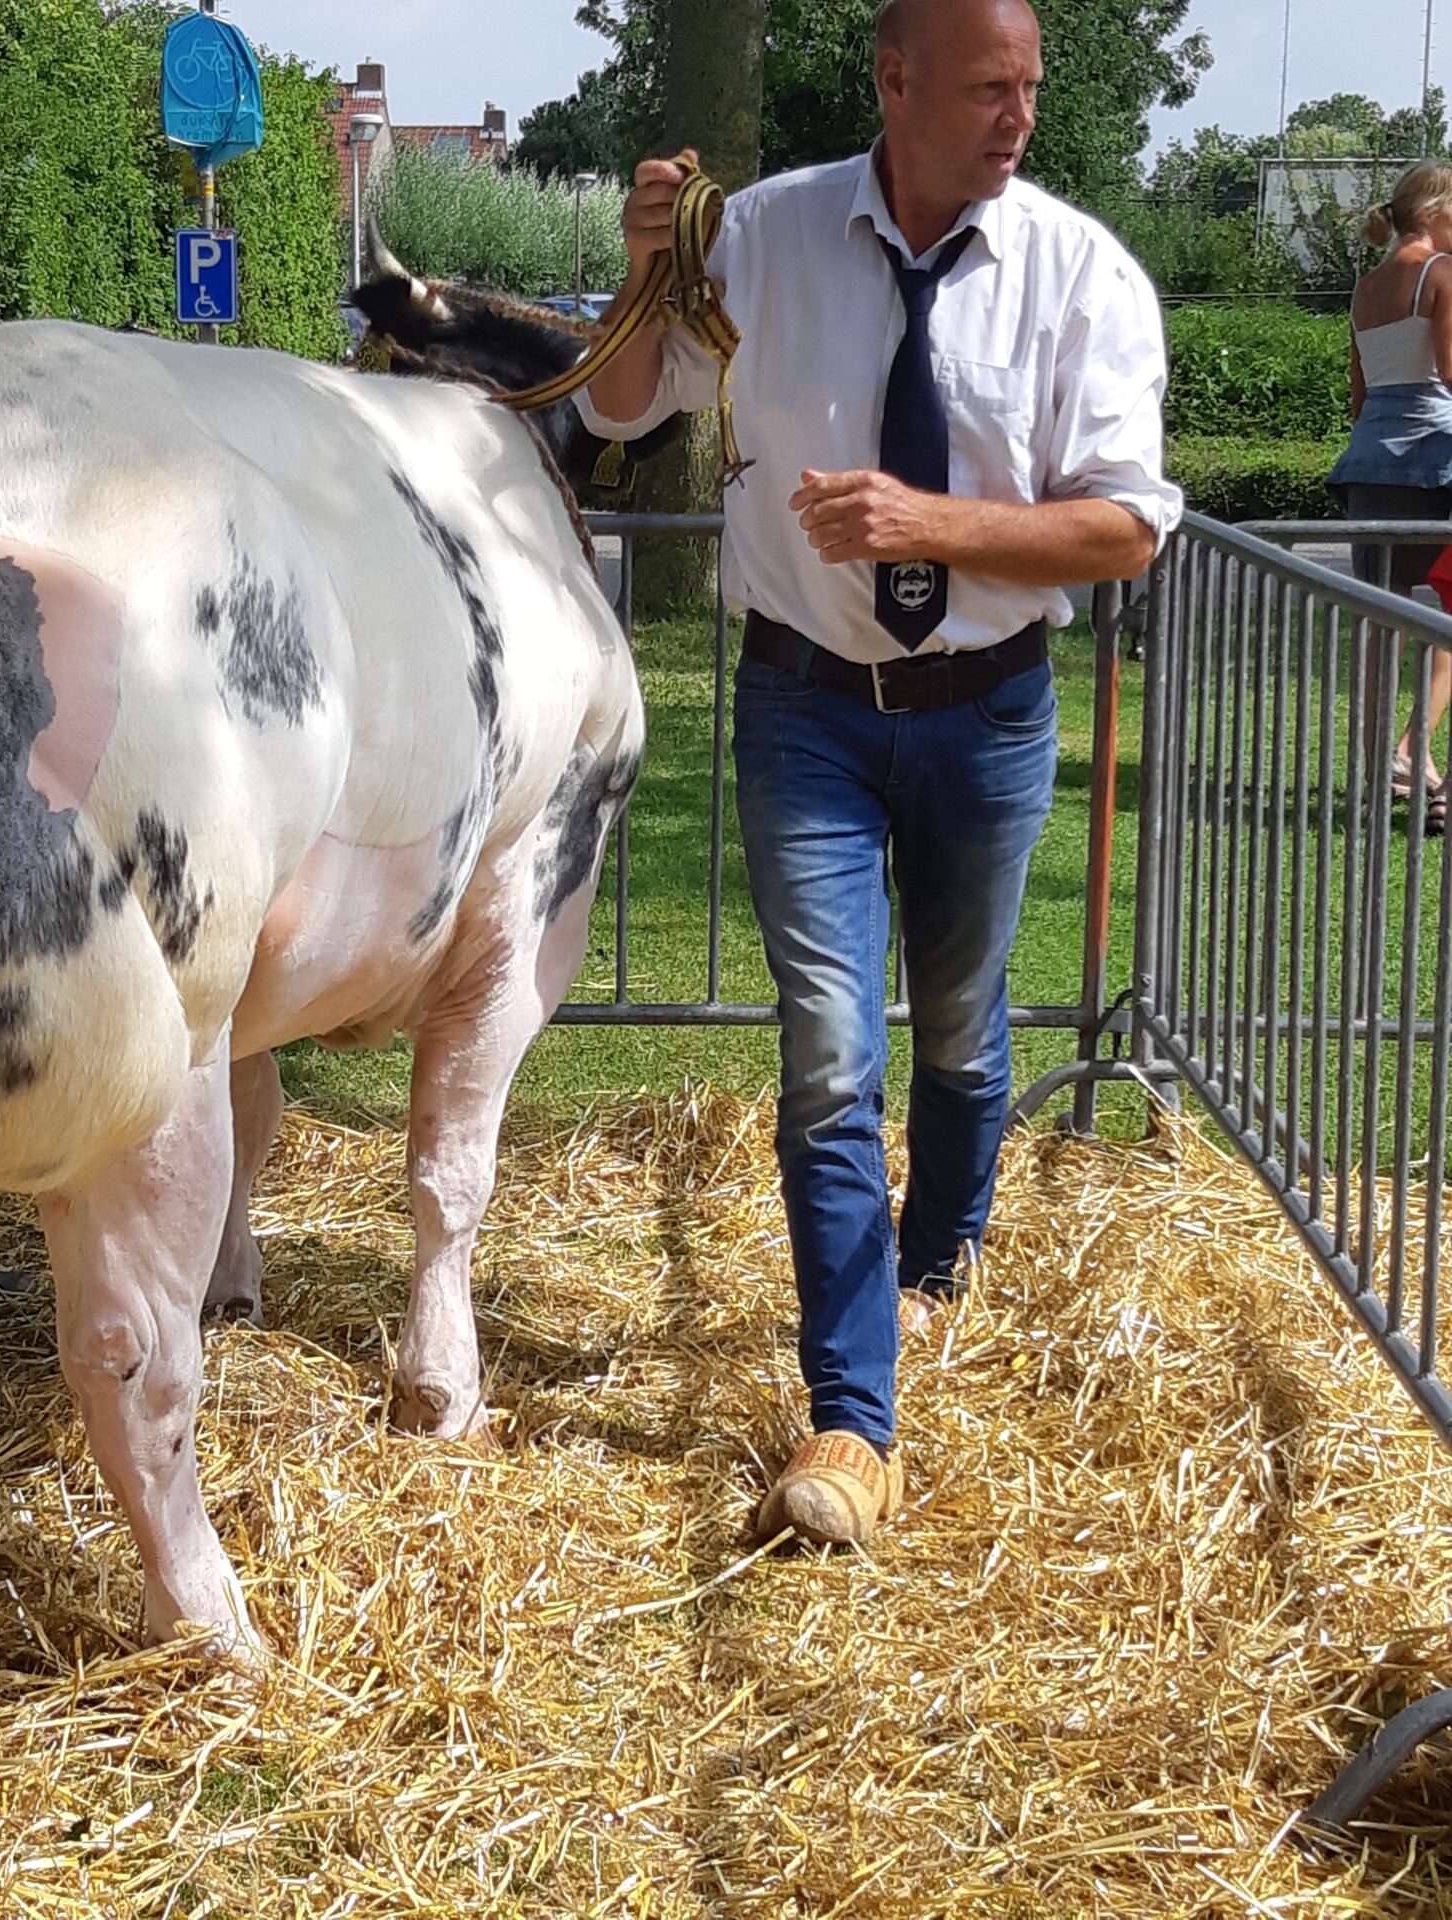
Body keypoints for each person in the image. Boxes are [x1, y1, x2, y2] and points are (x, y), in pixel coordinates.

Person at [578, 0, 1179, 1548]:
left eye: (1030, 88)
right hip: (803, 712)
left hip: (989, 714)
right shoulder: (760, 237)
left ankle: (940, 1257)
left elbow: (1123, 527)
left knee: (967, 1036)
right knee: (833, 1057)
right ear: (894, 84)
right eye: (991, 86)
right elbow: (617, 406)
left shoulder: (1082, 274)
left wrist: (935, 526)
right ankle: (855, 1419)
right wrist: (651, 269)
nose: (1020, 116)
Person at [1329, 162, 1452, 833]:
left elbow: (1359, 397)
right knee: (1451, 612)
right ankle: (1414, 749)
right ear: (1433, 213)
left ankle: (1382, 765)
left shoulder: (1365, 289)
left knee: (1381, 621)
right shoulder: (1441, 275)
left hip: (1368, 464)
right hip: (1433, 464)